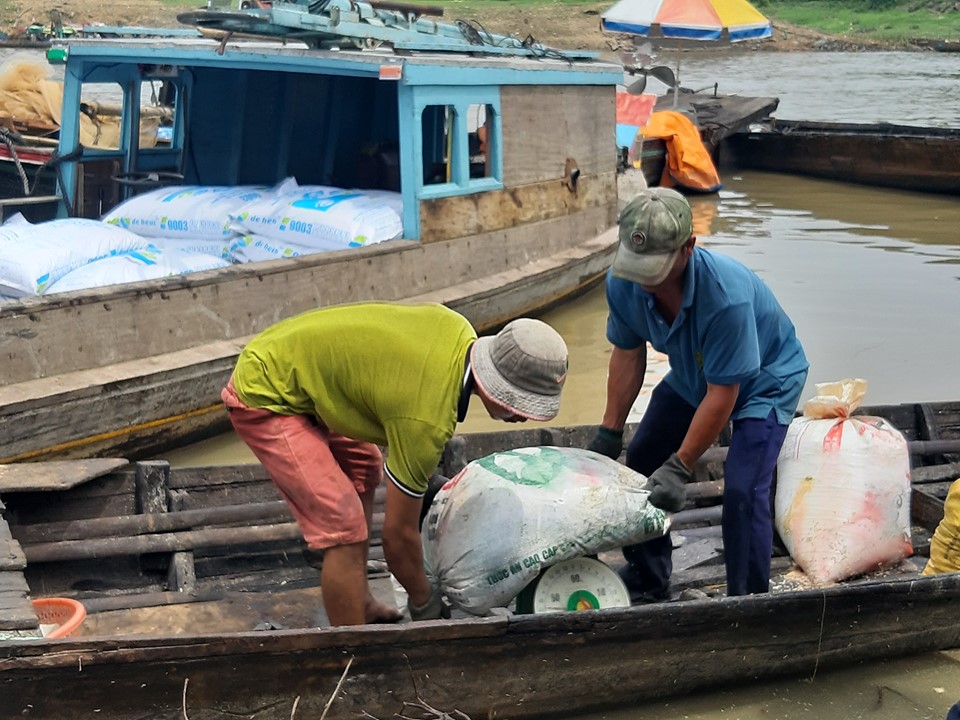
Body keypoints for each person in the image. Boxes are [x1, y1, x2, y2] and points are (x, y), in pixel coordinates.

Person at [221, 302, 568, 626]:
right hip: (267, 391)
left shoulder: (458, 328)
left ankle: (360, 599)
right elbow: (398, 541)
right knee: (344, 525)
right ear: (496, 388)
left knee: (364, 466)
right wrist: (425, 600)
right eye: (521, 406)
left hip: (298, 366)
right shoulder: (427, 422)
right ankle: (352, 652)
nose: (522, 417)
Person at [587, 188, 808, 599]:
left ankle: (747, 602)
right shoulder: (622, 282)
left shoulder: (725, 297)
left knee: (744, 490)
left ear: (689, 247)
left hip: (766, 381)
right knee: (642, 459)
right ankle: (649, 578)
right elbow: (627, 352)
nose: (645, 283)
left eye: (655, 269)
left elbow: (724, 394)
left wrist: (682, 465)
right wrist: (609, 431)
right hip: (695, 370)